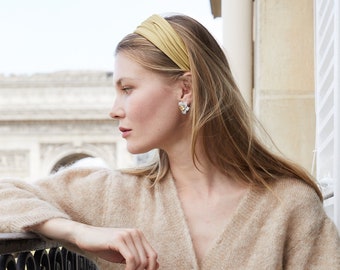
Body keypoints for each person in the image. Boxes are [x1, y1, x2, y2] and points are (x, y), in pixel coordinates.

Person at [0, 13, 339, 270]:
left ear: (185, 89)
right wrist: (75, 232)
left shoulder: (289, 206)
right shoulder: (111, 195)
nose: (114, 110)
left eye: (127, 89)